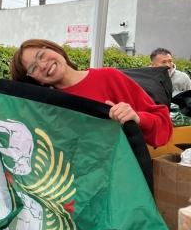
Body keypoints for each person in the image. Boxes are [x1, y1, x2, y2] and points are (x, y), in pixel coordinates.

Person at [10, 39, 172, 148]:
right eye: (33, 68)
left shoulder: (108, 78)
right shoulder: (44, 108)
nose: (43, 65)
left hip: (118, 181)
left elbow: (163, 127)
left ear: (54, 49)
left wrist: (136, 118)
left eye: (41, 55)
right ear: (35, 80)